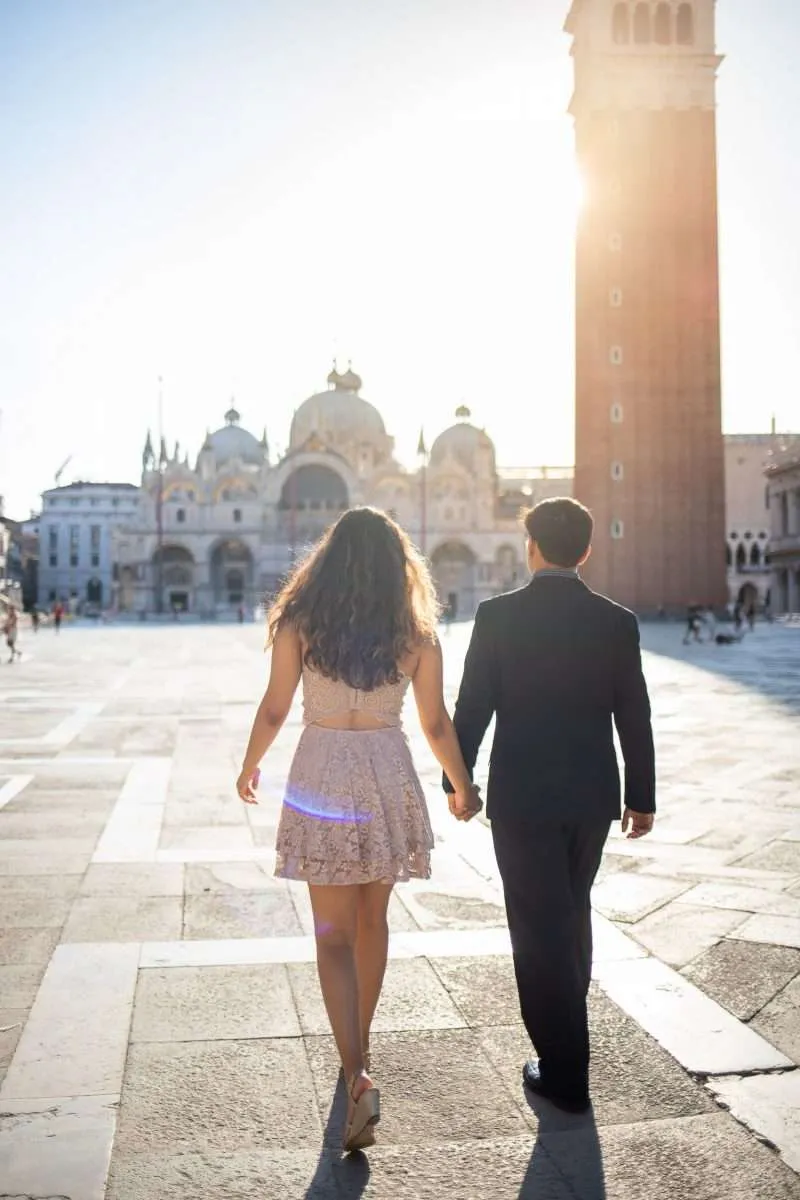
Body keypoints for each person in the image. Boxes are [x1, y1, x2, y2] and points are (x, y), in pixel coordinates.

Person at [236, 507, 481, 1152]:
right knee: (373, 923)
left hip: (321, 771)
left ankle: (356, 1071)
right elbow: (434, 724)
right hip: (385, 772)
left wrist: (250, 765)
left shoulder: (300, 623)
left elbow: (275, 706)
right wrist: (462, 785)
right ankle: (360, 1056)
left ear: (328, 560)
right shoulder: (416, 633)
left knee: (331, 934)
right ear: (397, 567)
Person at [444, 497, 655, 1114]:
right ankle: (568, 1050)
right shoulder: (616, 621)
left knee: (538, 928)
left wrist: (461, 785)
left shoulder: (497, 615)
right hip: (592, 798)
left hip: (523, 798)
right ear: (586, 550)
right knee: (570, 913)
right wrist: (641, 795)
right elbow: (633, 714)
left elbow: (472, 708)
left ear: (530, 546)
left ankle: (564, 1070)